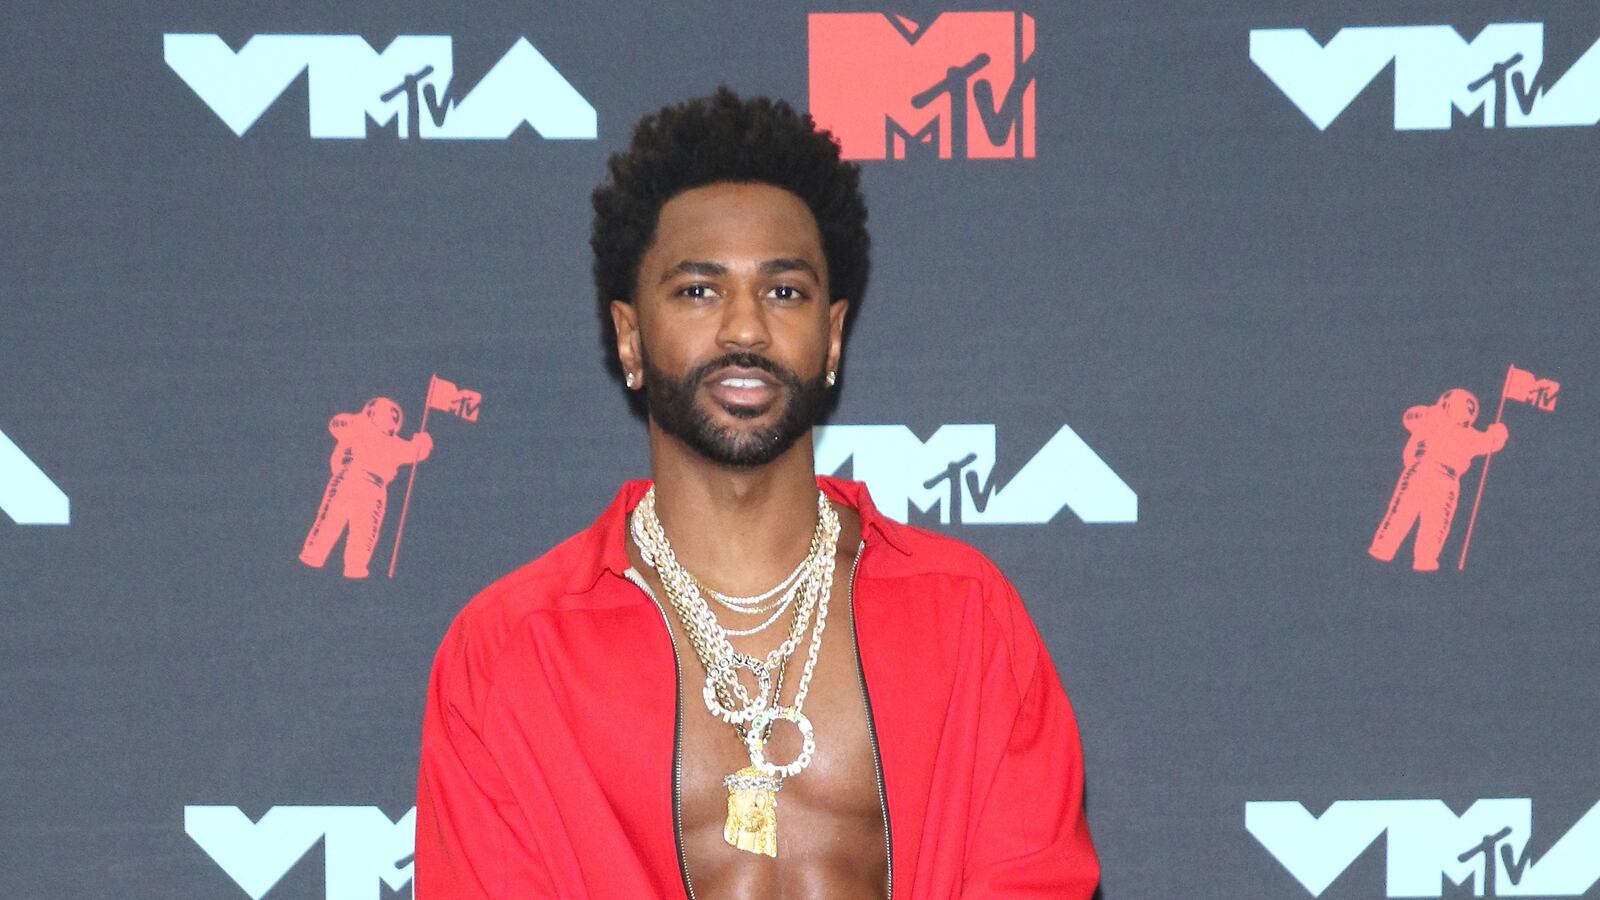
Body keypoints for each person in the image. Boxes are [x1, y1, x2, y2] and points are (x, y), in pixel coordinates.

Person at [414, 88, 1099, 898]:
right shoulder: (509, 656)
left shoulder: (967, 618)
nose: (745, 329)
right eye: (698, 291)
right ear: (630, 337)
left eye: (784, 292)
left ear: (833, 335)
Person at [1368, 388, 1509, 572]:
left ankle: (1424, 561)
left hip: (1446, 480)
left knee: (1435, 523)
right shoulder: (1431, 418)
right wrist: (1495, 435)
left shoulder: (1468, 435)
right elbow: (1410, 417)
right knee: (1403, 511)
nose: (1466, 411)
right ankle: (1383, 550)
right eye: (1463, 406)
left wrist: (1497, 434)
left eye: (1469, 408)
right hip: (1422, 469)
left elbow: (1489, 443)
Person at [299, 397, 433, 579]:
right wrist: (357, 420)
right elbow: (335, 424)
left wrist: (422, 443)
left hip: (375, 488)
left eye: (395, 417)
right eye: (388, 414)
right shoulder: (357, 425)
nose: (392, 419)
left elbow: (414, 452)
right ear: (372, 411)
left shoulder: (394, 443)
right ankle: (313, 557)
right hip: (348, 477)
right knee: (330, 519)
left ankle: (355, 568)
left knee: (365, 530)